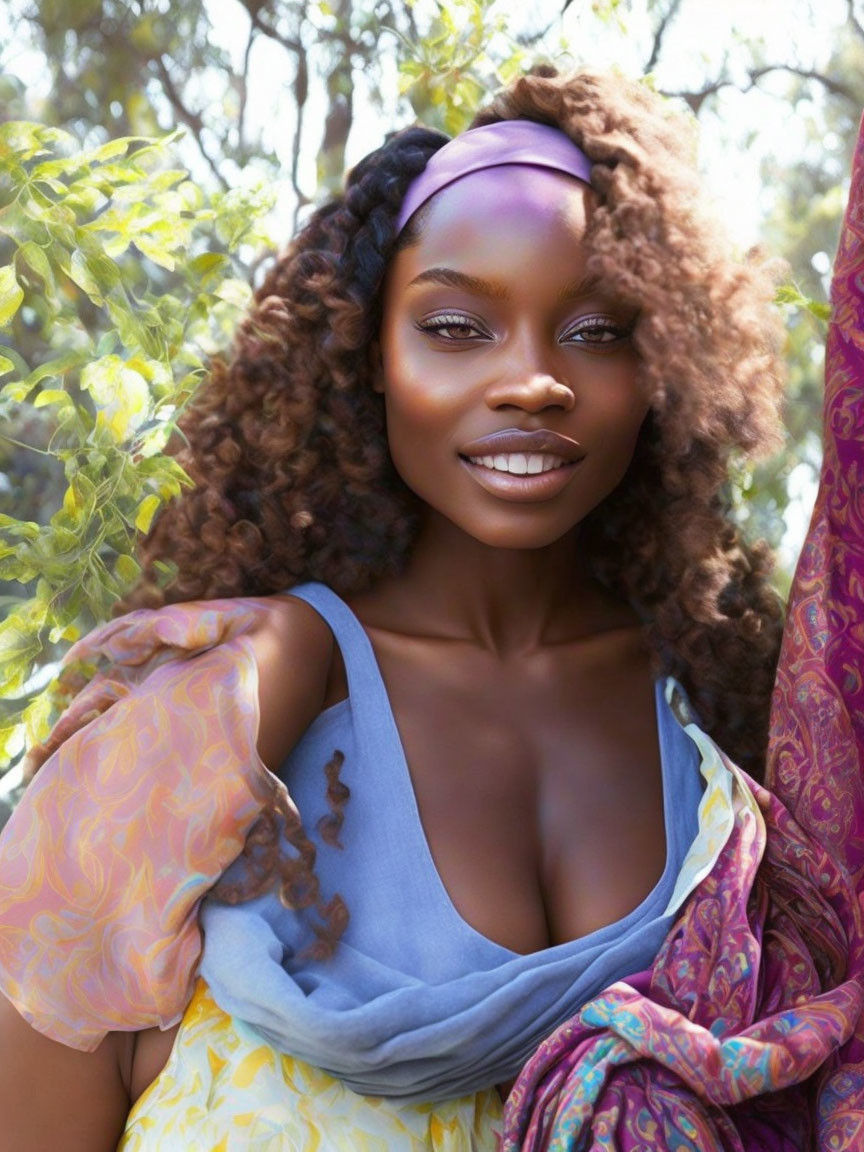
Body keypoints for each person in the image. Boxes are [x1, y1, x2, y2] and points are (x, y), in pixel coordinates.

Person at [0, 64, 859, 1150]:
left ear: (667, 370)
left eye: (597, 331)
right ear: (367, 355)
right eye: (457, 327)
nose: (532, 380)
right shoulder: (232, 703)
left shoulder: (735, 732)